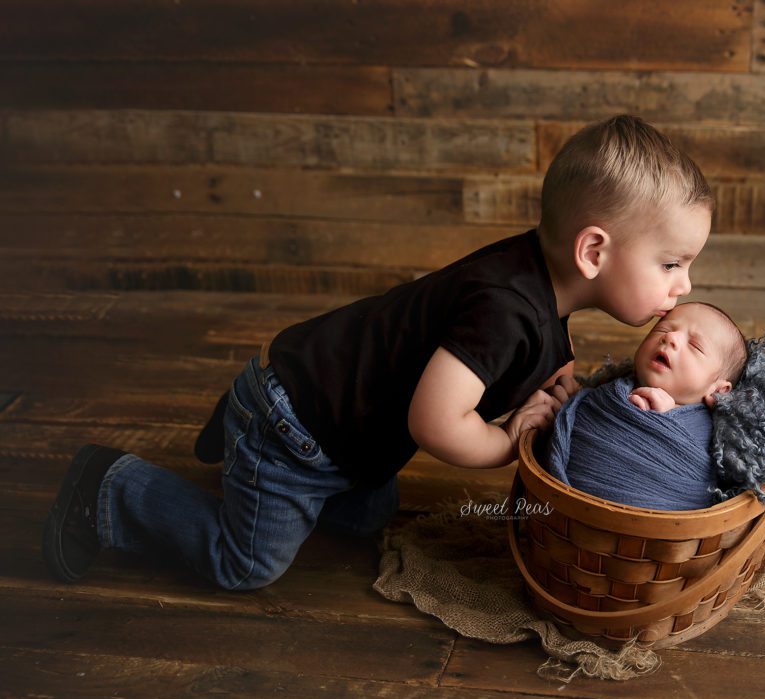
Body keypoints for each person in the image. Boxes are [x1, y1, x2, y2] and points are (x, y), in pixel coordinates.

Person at [42, 114, 715, 590]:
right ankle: (112, 486)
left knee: (369, 513)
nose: (682, 286)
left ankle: (262, 474)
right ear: (593, 250)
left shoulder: (542, 283)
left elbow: (548, 351)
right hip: (298, 424)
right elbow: (435, 422)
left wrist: (562, 389)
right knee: (245, 565)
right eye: (672, 263)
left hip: (338, 413)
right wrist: (506, 440)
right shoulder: (503, 309)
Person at [546, 302, 747, 510]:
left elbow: (709, 477)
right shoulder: (612, 390)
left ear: (718, 390)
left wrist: (664, 417)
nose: (670, 338)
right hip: (564, 502)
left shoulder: (711, 431)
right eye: (663, 329)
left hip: (658, 516)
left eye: (695, 346)